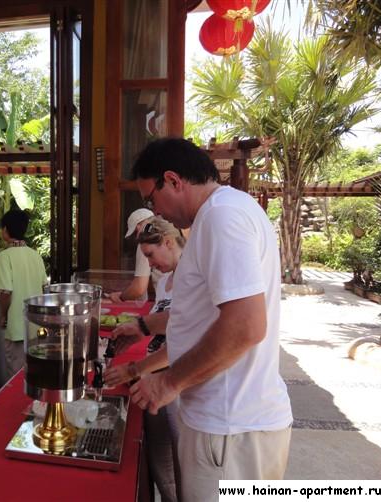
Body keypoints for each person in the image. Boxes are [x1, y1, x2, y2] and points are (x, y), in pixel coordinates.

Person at [129, 138, 292, 501]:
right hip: (228, 426)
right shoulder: (223, 212)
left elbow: (246, 326)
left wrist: (169, 382)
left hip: (229, 428)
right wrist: (142, 327)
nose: (155, 211)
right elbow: (200, 314)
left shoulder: (222, 217)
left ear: (173, 180)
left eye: (151, 199)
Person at [104, 216, 185, 501]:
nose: (149, 264)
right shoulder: (166, 282)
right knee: (162, 466)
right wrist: (139, 330)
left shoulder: (192, 278)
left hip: (176, 385)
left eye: (150, 255)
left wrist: (135, 369)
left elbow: (184, 341)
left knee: (178, 473)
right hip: (156, 378)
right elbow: (164, 325)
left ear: (168, 242)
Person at [0, 209, 48, 380]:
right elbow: (44, 289)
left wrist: (3, 315)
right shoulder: (35, 256)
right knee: (37, 374)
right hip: (37, 326)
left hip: (17, 328)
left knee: (17, 378)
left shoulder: (4, 257)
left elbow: (5, 293)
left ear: (5, 230)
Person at [107, 208, 158, 302]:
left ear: (138, 227)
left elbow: (139, 289)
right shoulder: (170, 233)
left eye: (135, 233)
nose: (137, 237)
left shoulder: (145, 242)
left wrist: (120, 297)